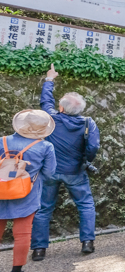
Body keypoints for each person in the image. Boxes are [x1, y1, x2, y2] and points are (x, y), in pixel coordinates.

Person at [31, 64, 101, 260]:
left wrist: (50, 79)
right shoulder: (88, 123)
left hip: (49, 172)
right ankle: (87, 243)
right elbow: (93, 147)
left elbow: (45, 101)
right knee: (86, 204)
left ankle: (39, 250)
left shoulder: (51, 119)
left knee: (43, 207)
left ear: (60, 107)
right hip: (75, 171)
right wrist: (86, 161)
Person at [1, 110, 57, 272]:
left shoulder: (2, 141)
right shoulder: (45, 147)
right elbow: (49, 173)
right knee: (22, 233)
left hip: (0, 189)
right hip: (27, 192)